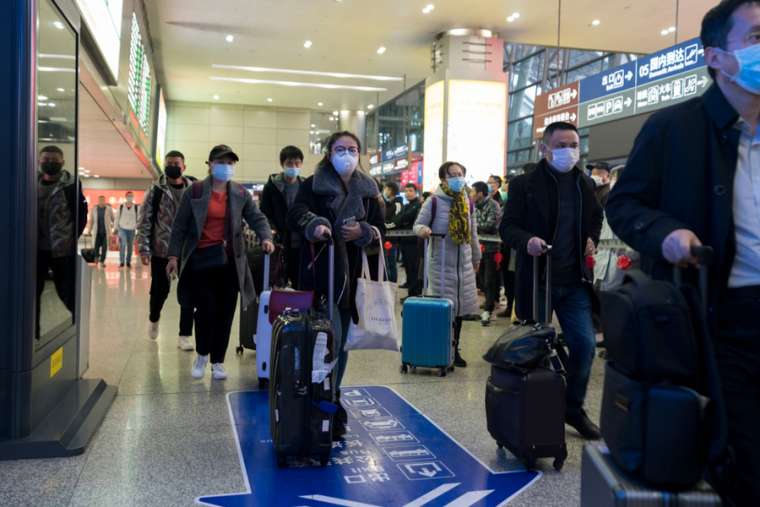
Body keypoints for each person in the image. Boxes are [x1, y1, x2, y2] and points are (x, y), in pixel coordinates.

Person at [606, 2, 760, 502]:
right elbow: (625, 204)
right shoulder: (675, 129)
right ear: (717, 57)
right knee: (743, 458)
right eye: (757, 35)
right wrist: (666, 232)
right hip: (720, 318)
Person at [501, 121, 603, 440]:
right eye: (560, 145)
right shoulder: (524, 185)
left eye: (573, 145)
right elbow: (508, 228)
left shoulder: (584, 184)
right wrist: (527, 240)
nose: (568, 151)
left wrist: (591, 239)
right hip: (538, 281)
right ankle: (531, 413)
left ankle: (573, 408)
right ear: (544, 148)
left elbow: (596, 217)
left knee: (585, 345)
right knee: (532, 350)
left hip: (574, 281)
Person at [287, 131, 384, 439]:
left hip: (354, 277)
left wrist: (364, 231)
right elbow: (296, 213)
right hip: (322, 274)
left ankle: (333, 396)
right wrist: (315, 225)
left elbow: (382, 228)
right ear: (328, 153)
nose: (347, 155)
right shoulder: (312, 185)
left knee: (341, 344)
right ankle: (318, 397)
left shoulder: (368, 189)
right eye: (340, 149)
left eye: (352, 149)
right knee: (326, 340)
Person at [167, 145, 274, 381]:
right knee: (205, 311)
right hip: (201, 261)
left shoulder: (239, 193)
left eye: (230, 163)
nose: (227, 167)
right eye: (221, 162)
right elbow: (179, 227)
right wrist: (173, 256)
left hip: (230, 263)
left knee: (226, 312)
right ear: (210, 164)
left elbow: (257, 218)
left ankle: (218, 361)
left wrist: (266, 237)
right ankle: (202, 354)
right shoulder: (194, 191)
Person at [414, 162, 481, 368]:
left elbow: (473, 234)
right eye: (453, 174)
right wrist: (424, 230)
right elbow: (417, 225)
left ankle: (454, 349)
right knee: (444, 308)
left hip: (463, 264)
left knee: (459, 309)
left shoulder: (467, 202)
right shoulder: (433, 201)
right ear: (443, 179)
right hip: (440, 263)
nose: (458, 178)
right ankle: (440, 348)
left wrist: (476, 257)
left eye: (461, 174)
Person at [137, 150, 196, 347]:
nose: (173, 166)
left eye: (176, 163)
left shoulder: (194, 189)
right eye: (169, 163)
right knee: (160, 291)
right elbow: (145, 220)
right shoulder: (156, 190)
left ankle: (184, 335)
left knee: (188, 293)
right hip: (161, 250)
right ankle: (154, 318)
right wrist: (144, 249)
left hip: (188, 251)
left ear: (184, 167)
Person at [36, 145, 87, 322]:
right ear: (39, 162)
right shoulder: (29, 183)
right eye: (46, 161)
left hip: (62, 251)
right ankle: (33, 335)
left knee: (66, 292)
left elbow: (81, 215)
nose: (50, 164)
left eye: (54, 161)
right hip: (35, 250)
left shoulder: (71, 186)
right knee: (33, 295)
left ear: (62, 162)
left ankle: (76, 324)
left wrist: (72, 239)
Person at [260, 145, 305, 287]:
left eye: (297, 163)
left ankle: (301, 308)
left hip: (301, 242)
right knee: (278, 280)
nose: (293, 167)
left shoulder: (305, 186)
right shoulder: (272, 186)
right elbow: (264, 212)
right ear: (282, 164)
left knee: (301, 281)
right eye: (289, 163)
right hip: (279, 242)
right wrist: (271, 230)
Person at [471, 181, 502, 326]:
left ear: (480, 193)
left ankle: (488, 310)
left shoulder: (493, 205)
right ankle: (489, 301)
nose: (471, 195)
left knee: (490, 279)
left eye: (473, 192)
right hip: (478, 247)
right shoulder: (474, 207)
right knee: (481, 279)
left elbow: (491, 225)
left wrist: (473, 227)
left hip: (491, 248)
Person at [387, 183, 423, 297]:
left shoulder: (418, 205)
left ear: (416, 192)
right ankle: (410, 292)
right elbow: (401, 219)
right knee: (408, 268)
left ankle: (414, 295)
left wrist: (403, 220)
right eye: (406, 191)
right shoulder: (407, 205)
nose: (408, 193)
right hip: (405, 241)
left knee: (414, 269)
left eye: (410, 191)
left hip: (414, 243)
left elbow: (404, 218)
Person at [381, 181, 403, 283]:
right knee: (384, 264)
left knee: (390, 264)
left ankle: (392, 286)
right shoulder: (386, 203)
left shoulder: (397, 204)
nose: (384, 191)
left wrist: (382, 226)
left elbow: (396, 222)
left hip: (391, 240)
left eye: (386, 189)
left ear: (390, 190)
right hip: (383, 238)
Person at [86, 195, 114, 267]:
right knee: (96, 247)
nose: (101, 201)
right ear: (98, 201)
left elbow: (113, 219)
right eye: (100, 200)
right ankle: (96, 258)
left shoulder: (109, 209)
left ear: (104, 201)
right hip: (97, 232)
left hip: (106, 232)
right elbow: (91, 220)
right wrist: (89, 230)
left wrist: (115, 227)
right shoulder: (94, 209)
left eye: (103, 200)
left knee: (105, 247)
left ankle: (102, 261)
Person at [115, 191, 139, 268]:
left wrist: (138, 230)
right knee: (123, 244)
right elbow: (117, 217)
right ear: (126, 197)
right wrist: (115, 228)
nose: (130, 197)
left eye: (131, 196)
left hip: (132, 229)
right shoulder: (121, 206)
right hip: (122, 228)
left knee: (130, 246)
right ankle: (122, 262)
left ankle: (128, 261)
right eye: (128, 196)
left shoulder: (136, 207)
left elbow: (138, 219)